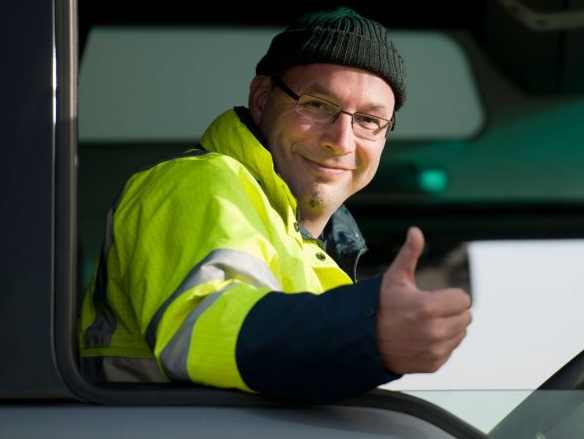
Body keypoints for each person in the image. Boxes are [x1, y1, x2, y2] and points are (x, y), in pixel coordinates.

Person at [78, 7, 472, 403]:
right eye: (318, 104)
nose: (342, 140)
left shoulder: (312, 247)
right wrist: (369, 329)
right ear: (262, 99)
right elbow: (202, 324)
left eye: (369, 120)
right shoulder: (200, 181)